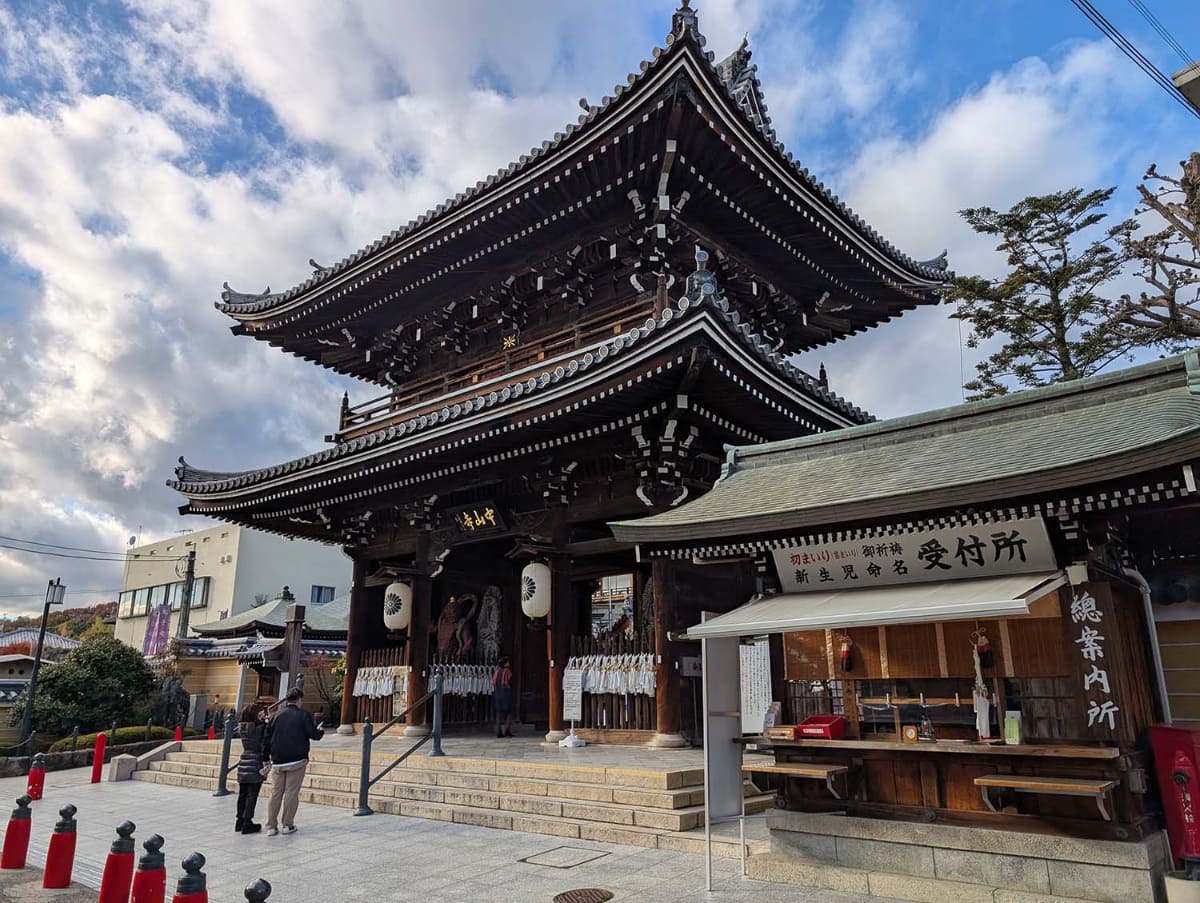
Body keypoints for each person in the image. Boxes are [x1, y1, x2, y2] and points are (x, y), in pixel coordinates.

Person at [264, 687, 324, 836]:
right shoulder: (303, 715)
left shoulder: (274, 716)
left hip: (278, 760)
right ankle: (287, 824)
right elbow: (313, 734)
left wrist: (265, 757)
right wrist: (320, 730)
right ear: (299, 700)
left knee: (275, 793)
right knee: (291, 793)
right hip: (297, 760)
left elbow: (266, 739)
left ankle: (271, 826)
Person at [234, 702, 269, 834]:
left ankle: (239, 821)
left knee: (242, 794)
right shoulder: (260, 728)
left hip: (244, 762)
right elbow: (267, 734)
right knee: (252, 795)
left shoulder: (242, 727)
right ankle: (247, 822)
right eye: (260, 712)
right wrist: (266, 720)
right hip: (255, 763)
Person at [492, 656, 515, 738]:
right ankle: (506, 730)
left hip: (498, 693)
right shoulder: (507, 671)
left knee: (499, 713)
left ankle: (498, 731)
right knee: (509, 712)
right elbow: (507, 682)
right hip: (505, 693)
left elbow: (494, 682)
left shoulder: (497, 671)